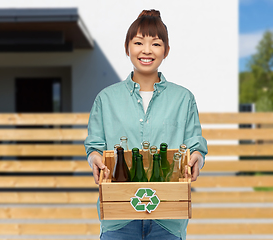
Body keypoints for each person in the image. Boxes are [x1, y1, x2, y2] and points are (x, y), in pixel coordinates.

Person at [84, 9, 208, 240]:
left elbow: (195, 144)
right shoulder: (106, 98)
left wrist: (196, 158)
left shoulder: (183, 98)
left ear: (166, 50)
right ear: (127, 47)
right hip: (118, 217)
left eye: (156, 44)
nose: (147, 50)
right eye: (139, 42)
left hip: (169, 218)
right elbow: (94, 146)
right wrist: (95, 159)